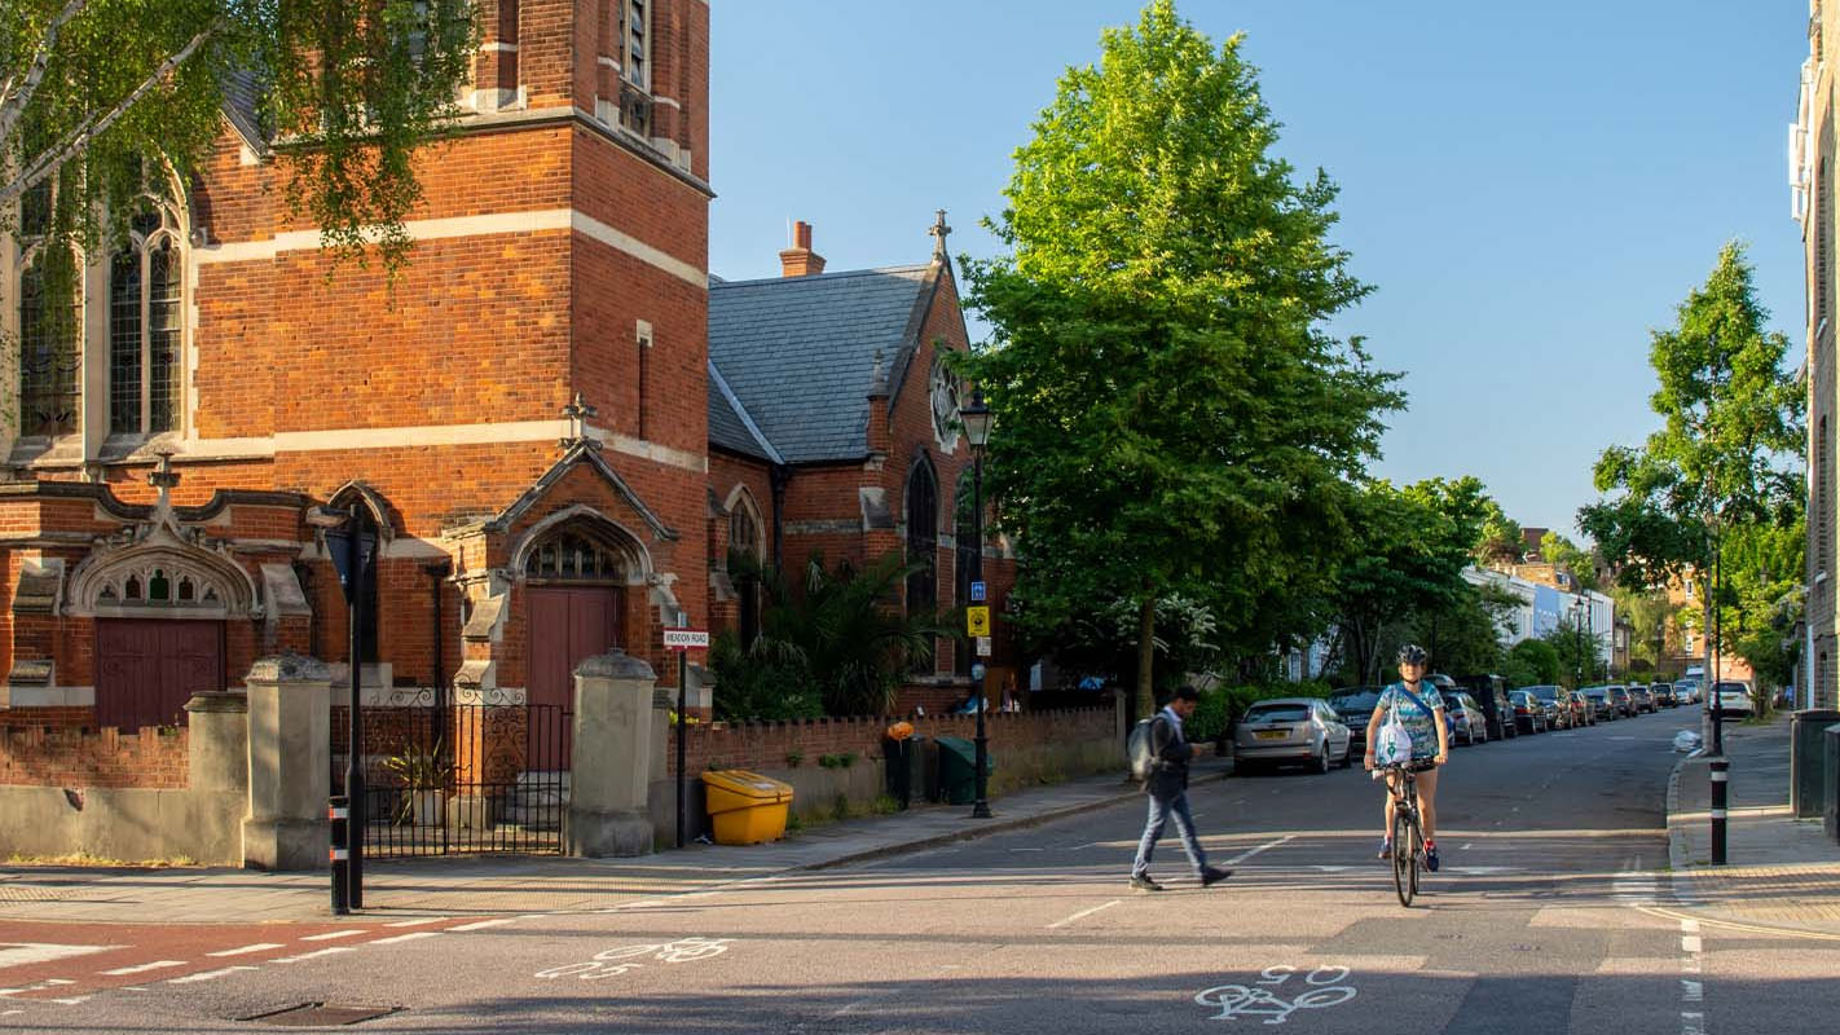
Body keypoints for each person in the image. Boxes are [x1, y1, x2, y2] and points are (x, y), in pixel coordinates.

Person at [1130, 685, 1232, 892]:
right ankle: (1137, 873)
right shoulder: (1162, 722)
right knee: (1154, 829)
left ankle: (1203, 871)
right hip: (1162, 784)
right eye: (1189, 707)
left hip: (1174, 782)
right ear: (1178, 702)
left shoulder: (1173, 721)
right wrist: (1190, 749)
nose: (1190, 711)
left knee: (1187, 828)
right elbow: (1162, 752)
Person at [1364, 645, 1450, 871]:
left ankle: (1429, 845)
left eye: (1415, 665)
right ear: (1401, 669)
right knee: (1393, 798)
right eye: (1407, 665)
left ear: (1422, 668)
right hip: (1396, 753)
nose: (1411, 669)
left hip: (1425, 752)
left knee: (1424, 804)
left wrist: (1442, 752)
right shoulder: (1391, 692)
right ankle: (1389, 838)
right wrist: (1370, 752)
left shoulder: (1430, 692)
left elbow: (1440, 722)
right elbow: (1374, 723)